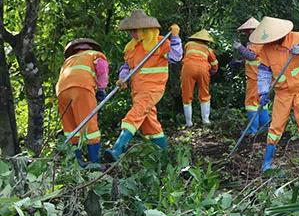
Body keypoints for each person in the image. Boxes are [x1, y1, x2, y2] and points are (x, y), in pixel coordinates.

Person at [105, 9, 183, 162]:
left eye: (135, 30)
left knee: (134, 115)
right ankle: (166, 156)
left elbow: (176, 57)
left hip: (153, 88)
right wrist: (123, 78)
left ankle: (117, 148)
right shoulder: (132, 47)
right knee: (149, 124)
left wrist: (175, 38)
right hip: (137, 90)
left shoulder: (160, 43)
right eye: (131, 31)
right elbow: (127, 66)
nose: (132, 33)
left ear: (144, 29)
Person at [249, 16, 299, 171]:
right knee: (276, 125)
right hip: (282, 92)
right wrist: (263, 93)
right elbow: (263, 73)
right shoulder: (266, 49)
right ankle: (267, 163)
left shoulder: (298, 38)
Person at [55, 38, 109, 165]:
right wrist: (101, 89)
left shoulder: (68, 61)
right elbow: (102, 70)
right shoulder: (95, 55)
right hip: (82, 88)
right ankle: (94, 162)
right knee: (89, 125)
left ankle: (76, 162)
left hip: (61, 92)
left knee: (70, 127)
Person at [233, 17, 269, 135]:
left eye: (249, 31)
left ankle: (253, 129)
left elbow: (252, 56)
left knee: (251, 102)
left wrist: (239, 47)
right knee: (262, 101)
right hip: (262, 76)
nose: (247, 33)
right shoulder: (263, 40)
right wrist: (240, 62)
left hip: (255, 76)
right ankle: (264, 126)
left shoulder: (256, 41)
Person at [181, 29, 218, 127]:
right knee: (204, 93)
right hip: (203, 69)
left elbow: (184, 56)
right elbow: (215, 64)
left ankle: (189, 123)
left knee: (186, 95)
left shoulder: (188, 45)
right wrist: (212, 72)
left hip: (188, 68)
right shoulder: (208, 49)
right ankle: (206, 121)